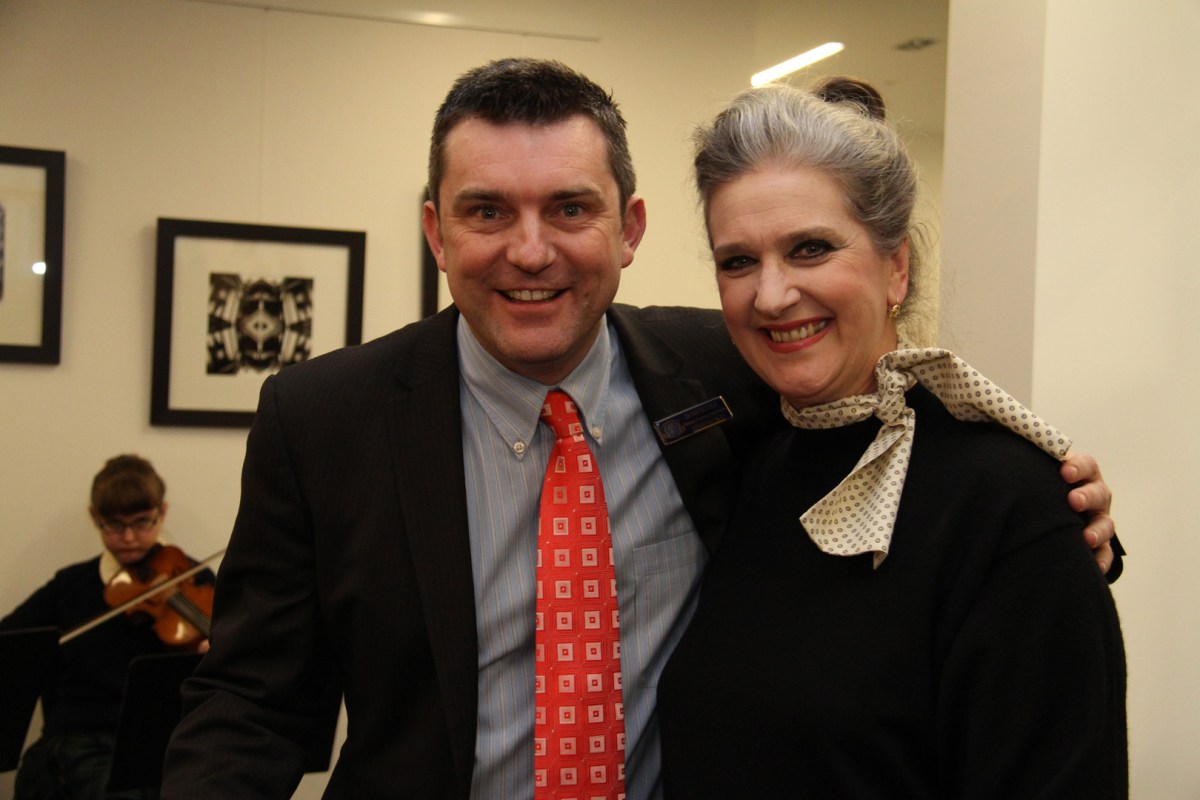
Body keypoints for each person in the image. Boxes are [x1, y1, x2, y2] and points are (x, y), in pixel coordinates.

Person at [161, 59, 1119, 800]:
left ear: (629, 229)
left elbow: (915, 463)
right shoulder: (322, 421)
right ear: (436, 232)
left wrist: (1062, 526)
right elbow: (252, 702)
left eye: (570, 208)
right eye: (487, 211)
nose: (529, 250)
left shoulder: (730, 377)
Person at [656, 78, 1127, 797]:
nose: (771, 296)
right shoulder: (747, 458)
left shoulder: (1008, 501)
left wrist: (1051, 536)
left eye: (811, 248)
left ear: (896, 267)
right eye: (738, 261)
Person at [1, 454, 213, 800]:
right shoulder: (70, 585)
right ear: (94, 518)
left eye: (142, 522)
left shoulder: (195, 579)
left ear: (162, 512)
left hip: (153, 742)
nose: (129, 537)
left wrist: (213, 651)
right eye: (113, 525)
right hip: (71, 741)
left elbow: (233, 651)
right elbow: (12, 642)